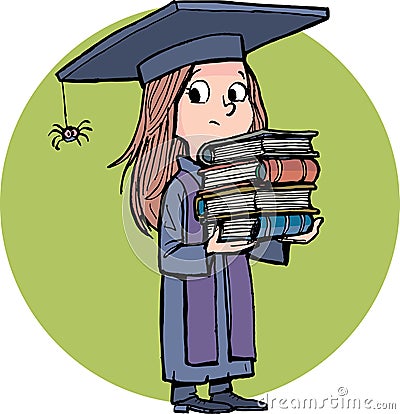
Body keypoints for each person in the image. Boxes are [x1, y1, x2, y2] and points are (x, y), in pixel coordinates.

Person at [56, 1, 328, 412]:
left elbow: (251, 232)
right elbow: (168, 255)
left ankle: (223, 387)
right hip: (191, 281)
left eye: (238, 93)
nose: (226, 109)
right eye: (199, 95)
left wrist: (287, 233)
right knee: (195, 330)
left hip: (232, 274)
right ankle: (185, 394)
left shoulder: (242, 179)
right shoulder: (180, 187)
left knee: (233, 325)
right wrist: (209, 250)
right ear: (166, 113)